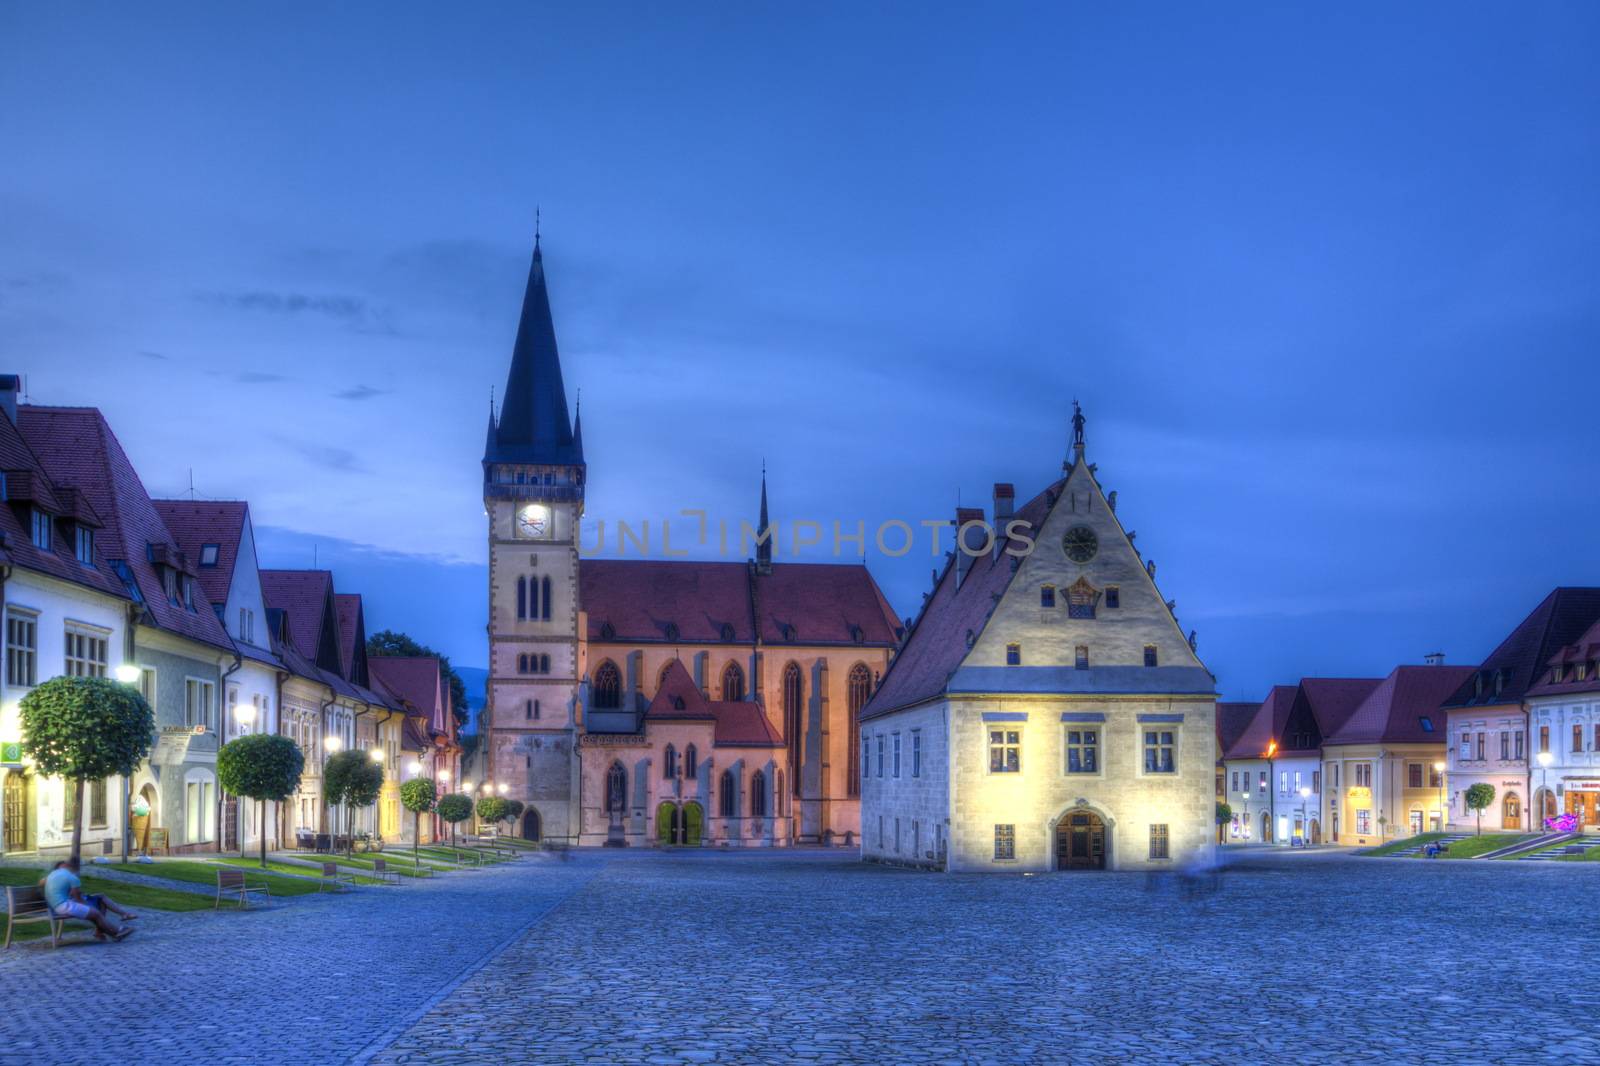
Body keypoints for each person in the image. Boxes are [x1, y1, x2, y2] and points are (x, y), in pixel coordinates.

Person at [42, 860, 136, 942]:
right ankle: (117, 931)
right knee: (96, 913)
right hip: (63, 906)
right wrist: (89, 906)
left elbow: (75, 896)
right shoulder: (72, 878)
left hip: (57, 905)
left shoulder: (53, 874)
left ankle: (113, 934)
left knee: (96, 910)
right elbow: (78, 898)